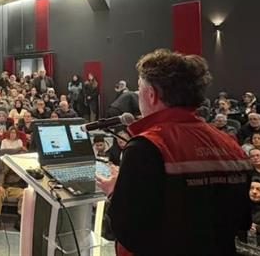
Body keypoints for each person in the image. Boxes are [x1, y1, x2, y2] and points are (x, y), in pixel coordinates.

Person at [100, 49, 251, 256]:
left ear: (151, 94)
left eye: (139, 88)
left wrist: (115, 192)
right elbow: (242, 221)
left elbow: (126, 230)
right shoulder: (232, 146)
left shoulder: (146, 146)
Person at [0, 149, 26, 230]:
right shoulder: (9, 163)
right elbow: (2, 174)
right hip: (5, 187)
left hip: (17, 188)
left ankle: (20, 219)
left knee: (25, 194)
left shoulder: (27, 165)